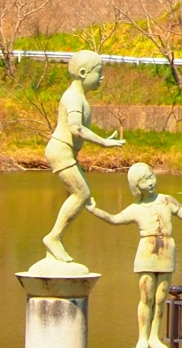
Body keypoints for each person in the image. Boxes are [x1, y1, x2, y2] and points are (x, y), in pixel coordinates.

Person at [92, 162, 182, 348]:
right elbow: (114, 219)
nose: (151, 182)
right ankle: (142, 338)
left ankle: (154, 336)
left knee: (161, 297)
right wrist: (93, 209)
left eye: (151, 176)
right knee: (146, 296)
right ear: (136, 186)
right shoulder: (135, 208)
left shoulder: (167, 200)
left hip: (167, 249)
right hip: (146, 250)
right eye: (144, 180)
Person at [39, 51, 126, 265]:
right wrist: (103, 142)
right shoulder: (73, 98)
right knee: (81, 193)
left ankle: (55, 238)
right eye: (99, 73)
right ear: (83, 72)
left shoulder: (79, 97)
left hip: (67, 152)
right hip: (60, 151)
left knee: (84, 195)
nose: (102, 78)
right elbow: (76, 128)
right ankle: (53, 237)